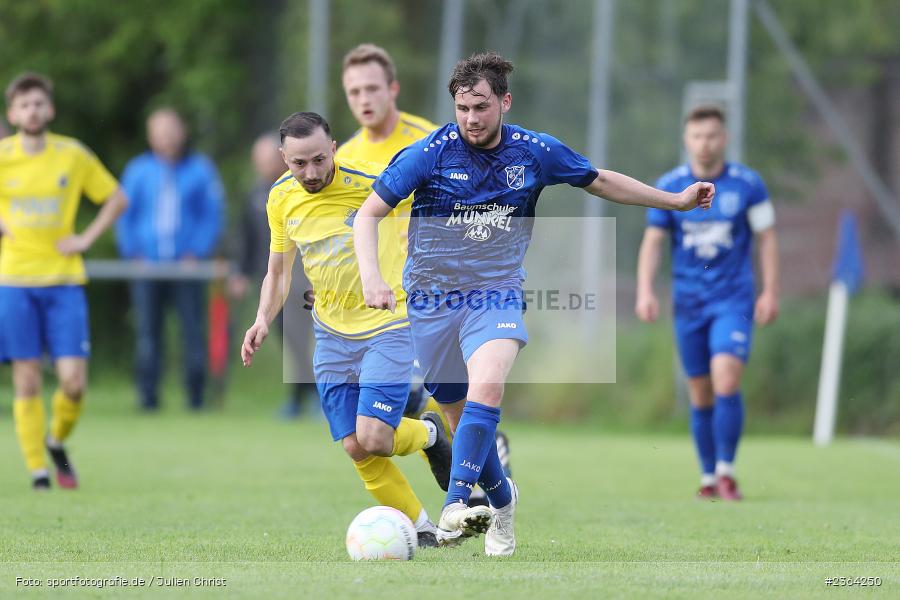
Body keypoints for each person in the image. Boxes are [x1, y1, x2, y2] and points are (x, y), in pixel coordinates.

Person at [353, 52, 714, 555]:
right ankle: (503, 501)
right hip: (431, 300)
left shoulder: (533, 152)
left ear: (504, 101)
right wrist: (372, 278)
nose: (471, 119)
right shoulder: (430, 153)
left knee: (489, 384)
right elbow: (367, 216)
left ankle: (456, 503)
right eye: (461, 108)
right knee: (463, 421)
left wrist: (674, 201)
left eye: (480, 106)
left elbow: (600, 180)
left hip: (495, 292)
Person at [240, 112, 453, 547]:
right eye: (299, 164)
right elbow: (278, 273)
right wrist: (262, 318)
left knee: (375, 436)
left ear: (334, 148)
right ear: (283, 159)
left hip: (387, 324)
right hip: (332, 335)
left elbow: (432, 210)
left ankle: (430, 432)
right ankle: (422, 528)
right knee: (356, 447)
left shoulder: (373, 184)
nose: (312, 172)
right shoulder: (280, 198)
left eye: (319, 159)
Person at [336, 43, 512, 505]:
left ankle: (473, 474)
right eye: (353, 91)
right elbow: (348, 226)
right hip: (376, 300)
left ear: (392, 88)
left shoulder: (433, 139)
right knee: (379, 420)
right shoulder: (342, 157)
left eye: (372, 87)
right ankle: (471, 467)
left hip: (436, 295)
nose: (364, 99)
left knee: (432, 397)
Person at [635, 105, 779, 501]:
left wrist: (770, 291)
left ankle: (727, 471)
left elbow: (766, 238)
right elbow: (654, 241)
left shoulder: (748, 185)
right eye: (697, 136)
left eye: (712, 135)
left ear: (724, 138)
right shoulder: (671, 185)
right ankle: (707, 477)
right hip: (689, 302)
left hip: (732, 298)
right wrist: (645, 290)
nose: (705, 143)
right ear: (687, 140)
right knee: (700, 392)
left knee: (727, 379)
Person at [0, 72, 128, 489]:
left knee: (73, 384)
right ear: (12, 113)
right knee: (28, 378)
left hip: (64, 281)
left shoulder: (72, 155)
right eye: (24, 105)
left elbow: (116, 197)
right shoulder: (4, 156)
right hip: (15, 280)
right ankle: (39, 472)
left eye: (39, 103)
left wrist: (86, 238)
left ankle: (56, 441)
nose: (32, 110)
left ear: (49, 109)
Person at [116, 108, 224, 411]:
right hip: (147, 267)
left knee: (192, 333)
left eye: (171, 129)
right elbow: (124, 214)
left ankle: (196, 398)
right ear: (150, 135)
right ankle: (148, 398)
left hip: (187, 268)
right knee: (148, 335)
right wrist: (133, 252)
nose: (166, 136)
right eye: (159, 130)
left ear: (182, 131)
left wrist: (196, 252)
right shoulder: (138, 170)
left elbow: (211, 216)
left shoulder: (200, 170)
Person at [229, 132, 317, 419]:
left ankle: (316, 396)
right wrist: (240, 273)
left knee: (306, 337)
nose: (264, 165)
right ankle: (300, 396)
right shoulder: (255, 195)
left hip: (305, 280)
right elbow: (246, 238)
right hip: (272, 280)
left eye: (269, 158)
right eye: (260, 160)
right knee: (288, 339)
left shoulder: (301, 190)